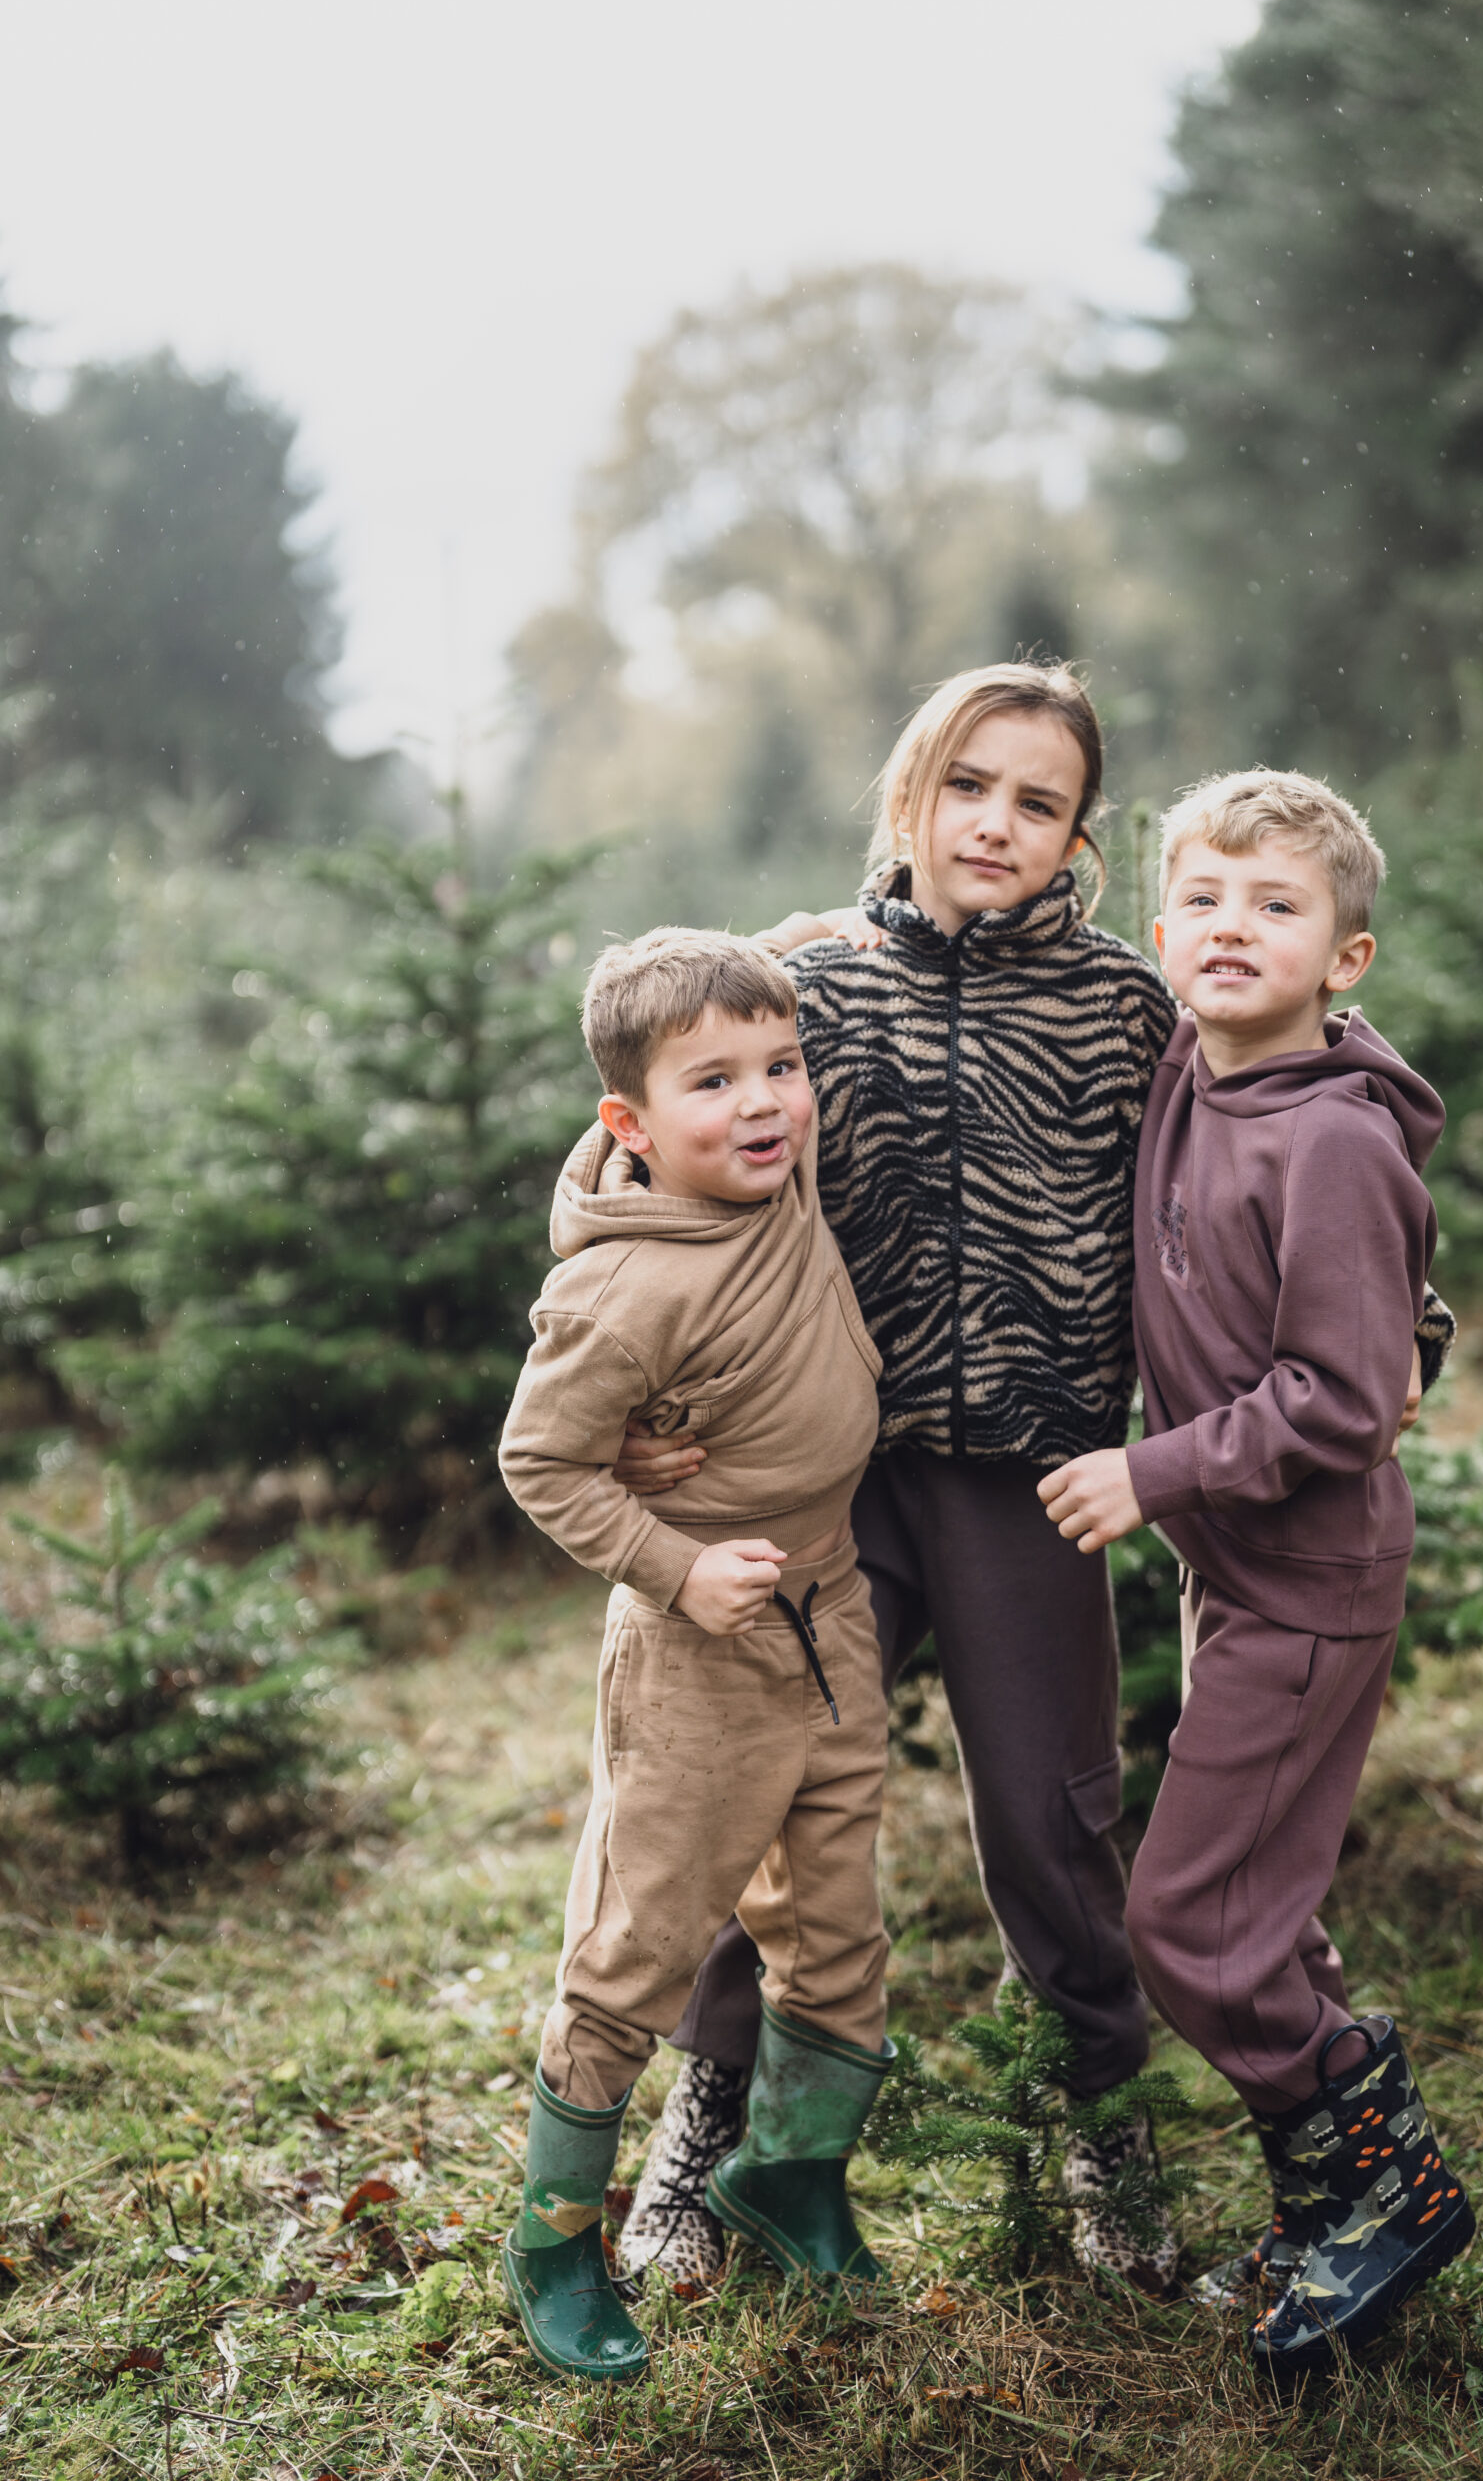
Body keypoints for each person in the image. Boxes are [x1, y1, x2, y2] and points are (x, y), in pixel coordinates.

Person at [609, 664, 1455, 2296]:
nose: (996, 823)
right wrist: (632, 1402)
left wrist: (1415, 1324)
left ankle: (1104, 2146)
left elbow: (1316, 1123)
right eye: (969, 787)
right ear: (911, 796)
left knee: (1057, 1821)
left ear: (1080, 838)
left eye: (1039, 801)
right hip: (823, 1479)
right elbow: (645, 1153)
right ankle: (700, 2149)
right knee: (756, 1798)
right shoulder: (806, 993)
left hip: (1033, 1481)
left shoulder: (1133, 1008)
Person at [1039, 769, 1475, 2371]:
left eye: (1277, 907)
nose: (1233, 929)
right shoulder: (1188, 1065)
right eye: (1206, 902)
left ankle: (1390, 2185)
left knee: (1190, 1918)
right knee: (1263, 1912)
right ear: (1162, 935)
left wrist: (1148, 1474)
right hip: (1245, 1580)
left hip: (1310, 1580)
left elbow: (1347, 1400)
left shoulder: (1334, 1146)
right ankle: (1336, 2197)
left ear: (1345, 960)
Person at [496, 928, 893, 2383]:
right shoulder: (622, 1289)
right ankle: (554, 2245)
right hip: (697, 1651)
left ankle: (790, 2178)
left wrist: (841, 932)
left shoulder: (772, 1182)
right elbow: (542, 1462)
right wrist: (674, 1562)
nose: (765, 1102)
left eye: (782, 1068)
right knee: (639, 1944)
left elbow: (753, 982)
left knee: (838, 1923)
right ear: (630, 1126)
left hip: (833, 1613)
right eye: (714, 1082)